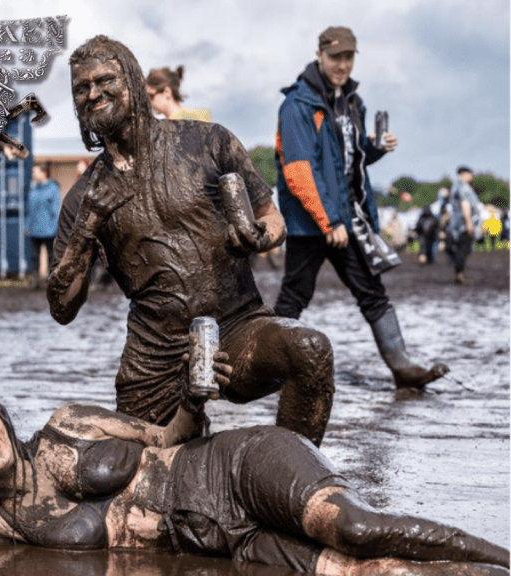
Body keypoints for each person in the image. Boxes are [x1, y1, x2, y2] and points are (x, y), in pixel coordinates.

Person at [47, 35, 335, 446]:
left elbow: (273, 218)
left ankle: (297, 476)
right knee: (135, 472)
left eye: (104, 80)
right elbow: (61, 308)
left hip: (238, 327)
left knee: (310, 349)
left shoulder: (208, 143)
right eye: (81, 88)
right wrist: (86, 230)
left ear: (131, 80)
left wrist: (256, 236)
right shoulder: (84, 196)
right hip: (157, 356)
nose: (93, 93)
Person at [0, 385, 510, 575]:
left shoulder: (67, 428)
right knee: (364, 573)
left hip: (233, 469)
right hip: (218, 540)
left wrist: (194, 398)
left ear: (2, 417)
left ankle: (504, 556)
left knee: (357, 527)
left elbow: (168, 435)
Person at [273, 26, 448, 389]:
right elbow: (299, 171)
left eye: (349, 57)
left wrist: (375, 148)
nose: (343, 64)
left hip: (347, 219)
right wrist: (328, 221)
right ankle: (268, 369)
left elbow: (346, 160)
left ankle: (403, 367)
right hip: (312, 224)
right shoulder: (297, 106)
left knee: (372, 292)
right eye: (336, 57)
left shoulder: (353, 102)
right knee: (295, 295)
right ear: (320, 55)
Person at [25, 162, 61, 281]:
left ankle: (52, 280)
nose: (33, 174)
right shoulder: (33, 189)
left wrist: (54, 228)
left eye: (35, 171)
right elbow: (29, 210)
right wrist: (27, 226)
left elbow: (55, 211)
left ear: (43, 172)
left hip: (49, 231)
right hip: (34, 230)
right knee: (34, 257)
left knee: (51, 256)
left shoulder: (53, 189)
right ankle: (36, 281)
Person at [448, 166, 482, 284]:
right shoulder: (463, 187)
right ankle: (460, 274)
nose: (472, 177)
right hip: (463, 225)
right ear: (464, 174)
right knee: (463, 250)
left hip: (457, 225)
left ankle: (459, 273)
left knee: (461, 250)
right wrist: (469, 224)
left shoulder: (455, 186)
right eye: (470, 174)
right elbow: (465, 205)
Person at [145, 66, 211, 121]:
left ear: (167, 92)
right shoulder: (198, 117)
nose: (150, 102)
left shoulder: (196, 120)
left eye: (151, 96)